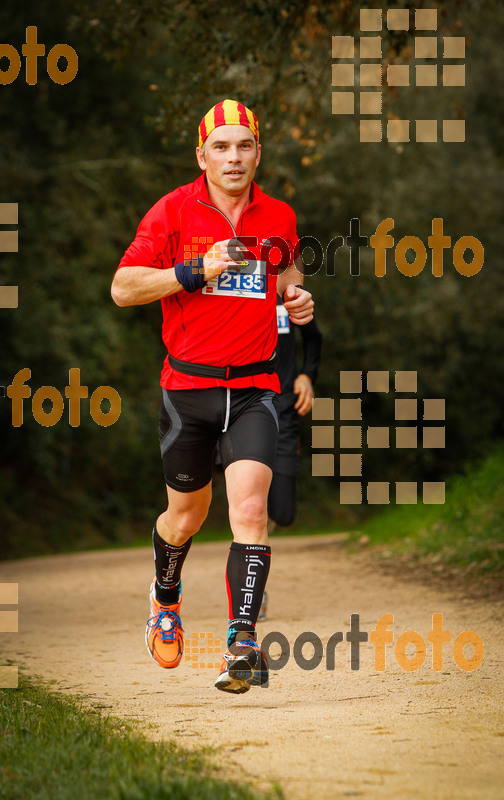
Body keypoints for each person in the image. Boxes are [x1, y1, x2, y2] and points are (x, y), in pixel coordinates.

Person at [111, 99, 314, 695]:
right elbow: (123, 288)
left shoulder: (279, 215)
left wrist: (296, 301)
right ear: (202, 155)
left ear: (258, 153)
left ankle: (243, 642)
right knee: (186, 517)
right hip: (188, 391)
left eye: (244, 146)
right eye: (221, 147)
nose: (233, 157)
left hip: (254, 387)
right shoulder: (172, 211)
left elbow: (287, 278)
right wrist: (193, 271)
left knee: (250, 512)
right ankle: (165, 598)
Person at [258, 296, 322, 620]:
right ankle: (255, 589)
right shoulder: (237, 290)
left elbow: (313, 336)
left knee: (282, 512)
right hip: (245, 406)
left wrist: (307, 375)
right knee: (250, 505)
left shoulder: (289, 300)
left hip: (284, 413)